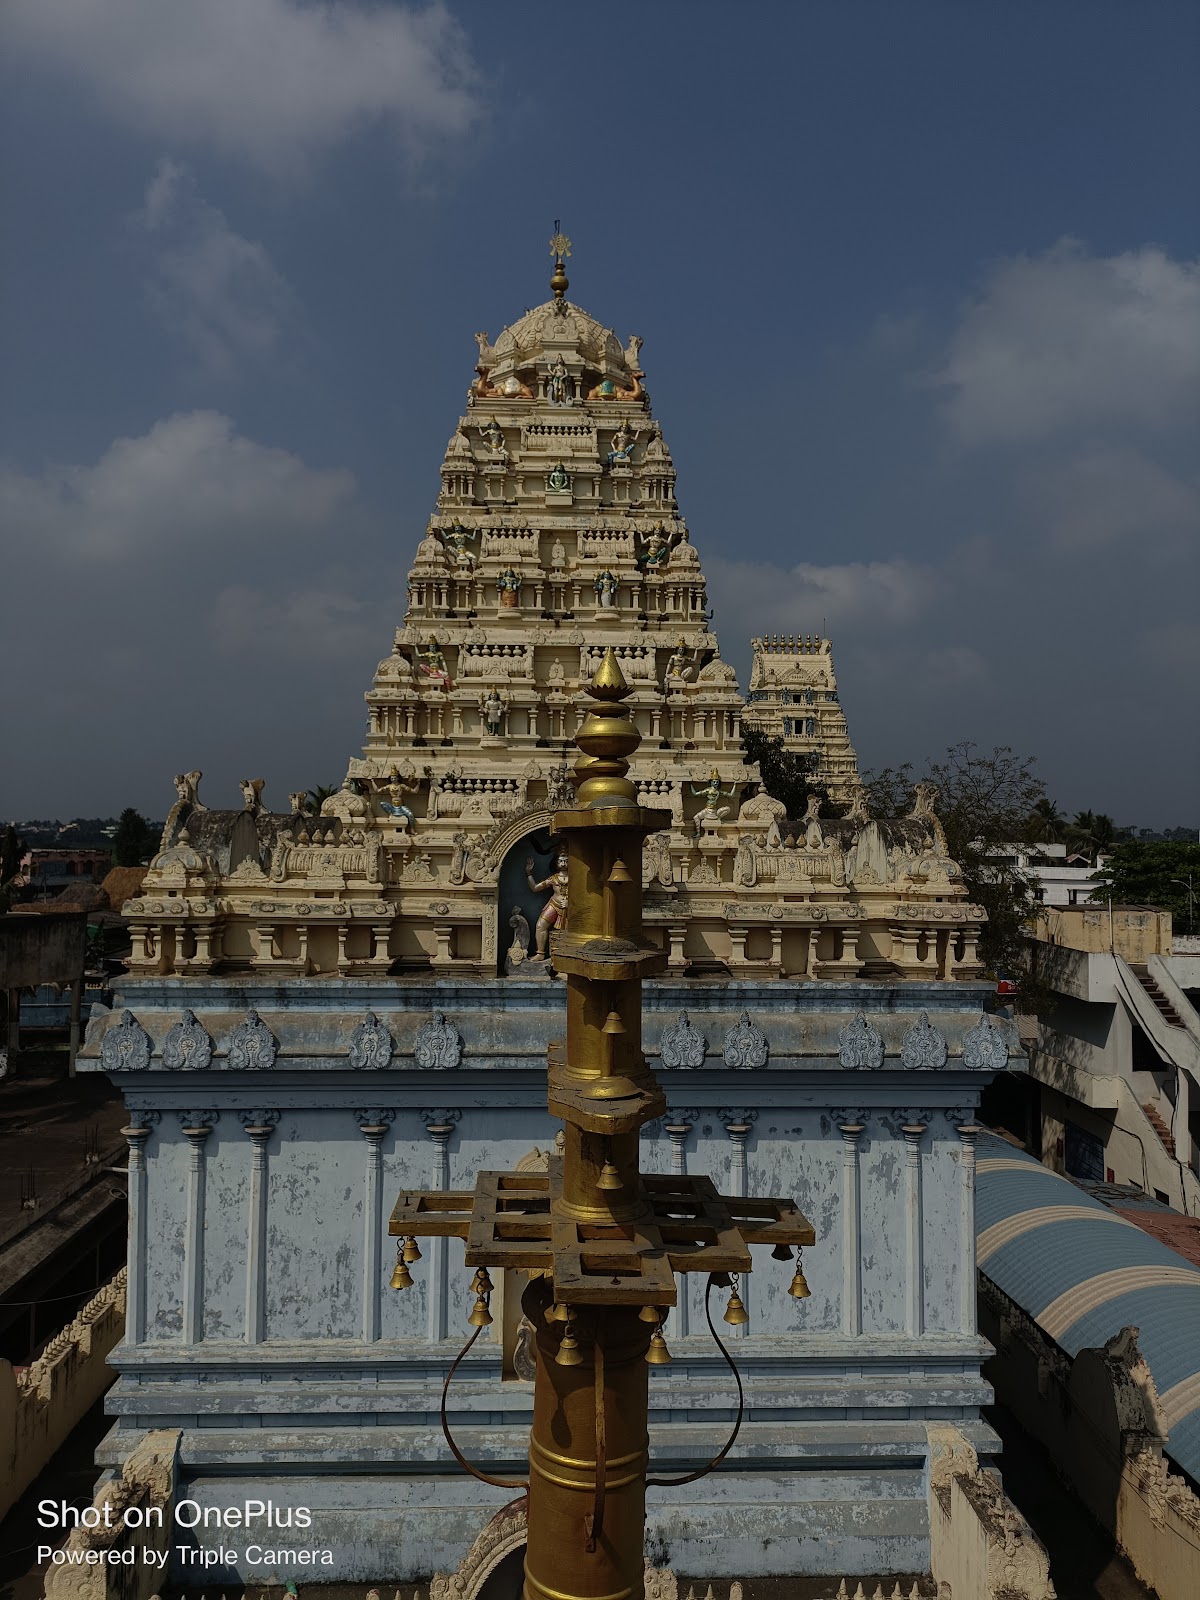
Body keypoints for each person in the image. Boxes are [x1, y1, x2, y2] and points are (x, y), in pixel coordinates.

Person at [526, 850, 569, 959]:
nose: (563, 863)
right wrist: (529, 873)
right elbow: (535, 888)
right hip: (554, 904)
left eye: (566, 861)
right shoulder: (553, 879)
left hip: (570, 907)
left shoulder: (575, 878)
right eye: (560, 861)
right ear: (556, 863)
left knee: (569, 931)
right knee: (540, 925)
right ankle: (540, 953)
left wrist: (570, 903)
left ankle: (566, 956)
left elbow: (581, 894)